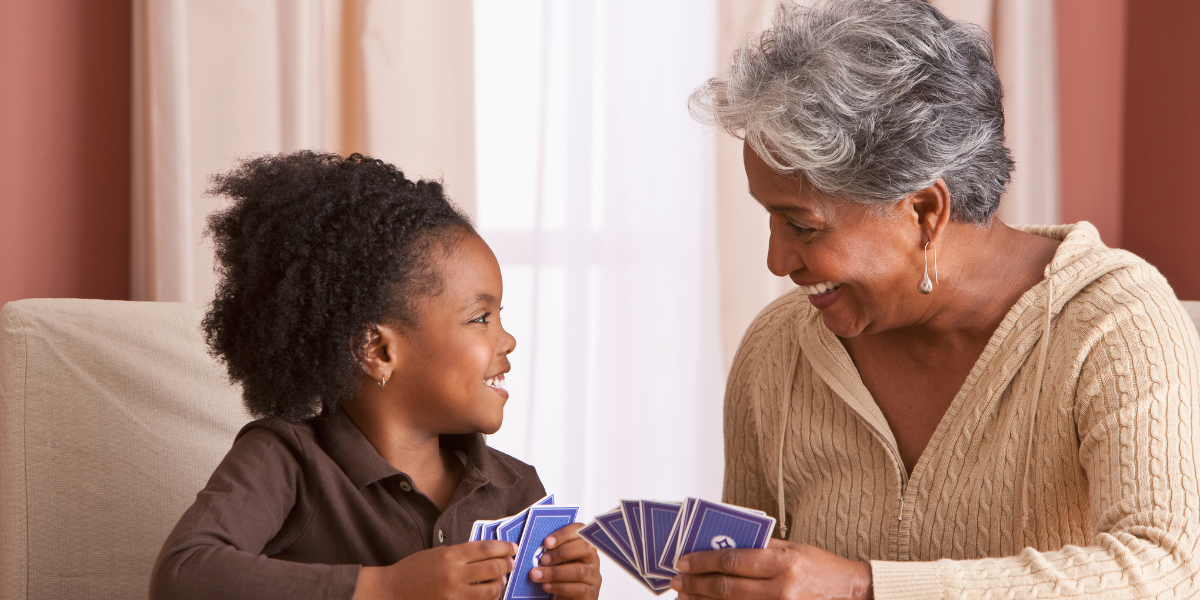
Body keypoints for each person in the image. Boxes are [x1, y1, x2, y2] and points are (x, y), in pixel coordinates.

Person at [676, 1, 1200, 599]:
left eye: (804, 227)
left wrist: (863, 588)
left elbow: (1168, 570)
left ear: (925, 211)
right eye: (770, 219)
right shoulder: (778, 350)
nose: (777, 261)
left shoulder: (1113, 324)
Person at [149, 152, 601, 600]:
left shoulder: (516, 489)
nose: (509, 341)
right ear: (378, 350)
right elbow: (182, 575)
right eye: (481, 318)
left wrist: (571, 592)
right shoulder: (289, 460)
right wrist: (385, 587)